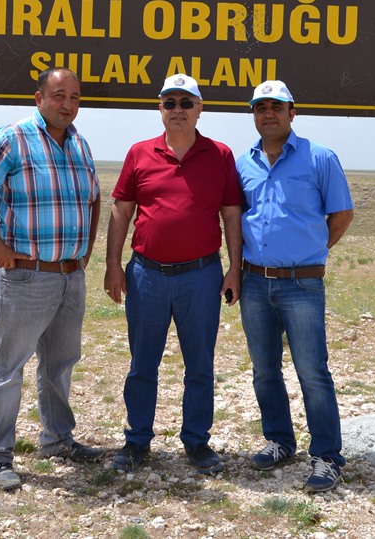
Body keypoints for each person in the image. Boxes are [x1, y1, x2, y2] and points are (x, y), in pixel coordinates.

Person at [0, 67, 102, 492]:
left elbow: (94, 199)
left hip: (69, 278)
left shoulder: (78, 143)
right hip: (25, 276)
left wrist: (86, 252)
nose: (67, 105)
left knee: (59, 365)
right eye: (59, 96)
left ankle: (57, 439)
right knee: (9, 367)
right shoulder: (14, 137)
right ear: (39, 97)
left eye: (74, 97)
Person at [104, 73, 243, 475]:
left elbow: (231, 214)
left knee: (200, 365)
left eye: (186, 102)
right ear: (160, 109)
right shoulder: (139, 153)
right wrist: (113, 264)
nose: (178, 110)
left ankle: (197, 443)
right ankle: (136, 442)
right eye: (170, 103)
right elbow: (121, 210)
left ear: (200, 109)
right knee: (142, 363)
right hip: (146, 275)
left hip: (201, 277)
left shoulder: (220, 155)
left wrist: (234, 268)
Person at [236, 80, 354, 493]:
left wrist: (313, 250)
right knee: (265, 370)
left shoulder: (319, 158)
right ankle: (279, 440)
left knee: (311, 371)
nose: (268, 113)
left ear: (292, 111)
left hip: (302, 284)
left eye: (277, 106)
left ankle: (327, 456)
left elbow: (341, 215)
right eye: (260, 107)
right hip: (254, 283)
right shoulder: (242, 163)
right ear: (253, 114)